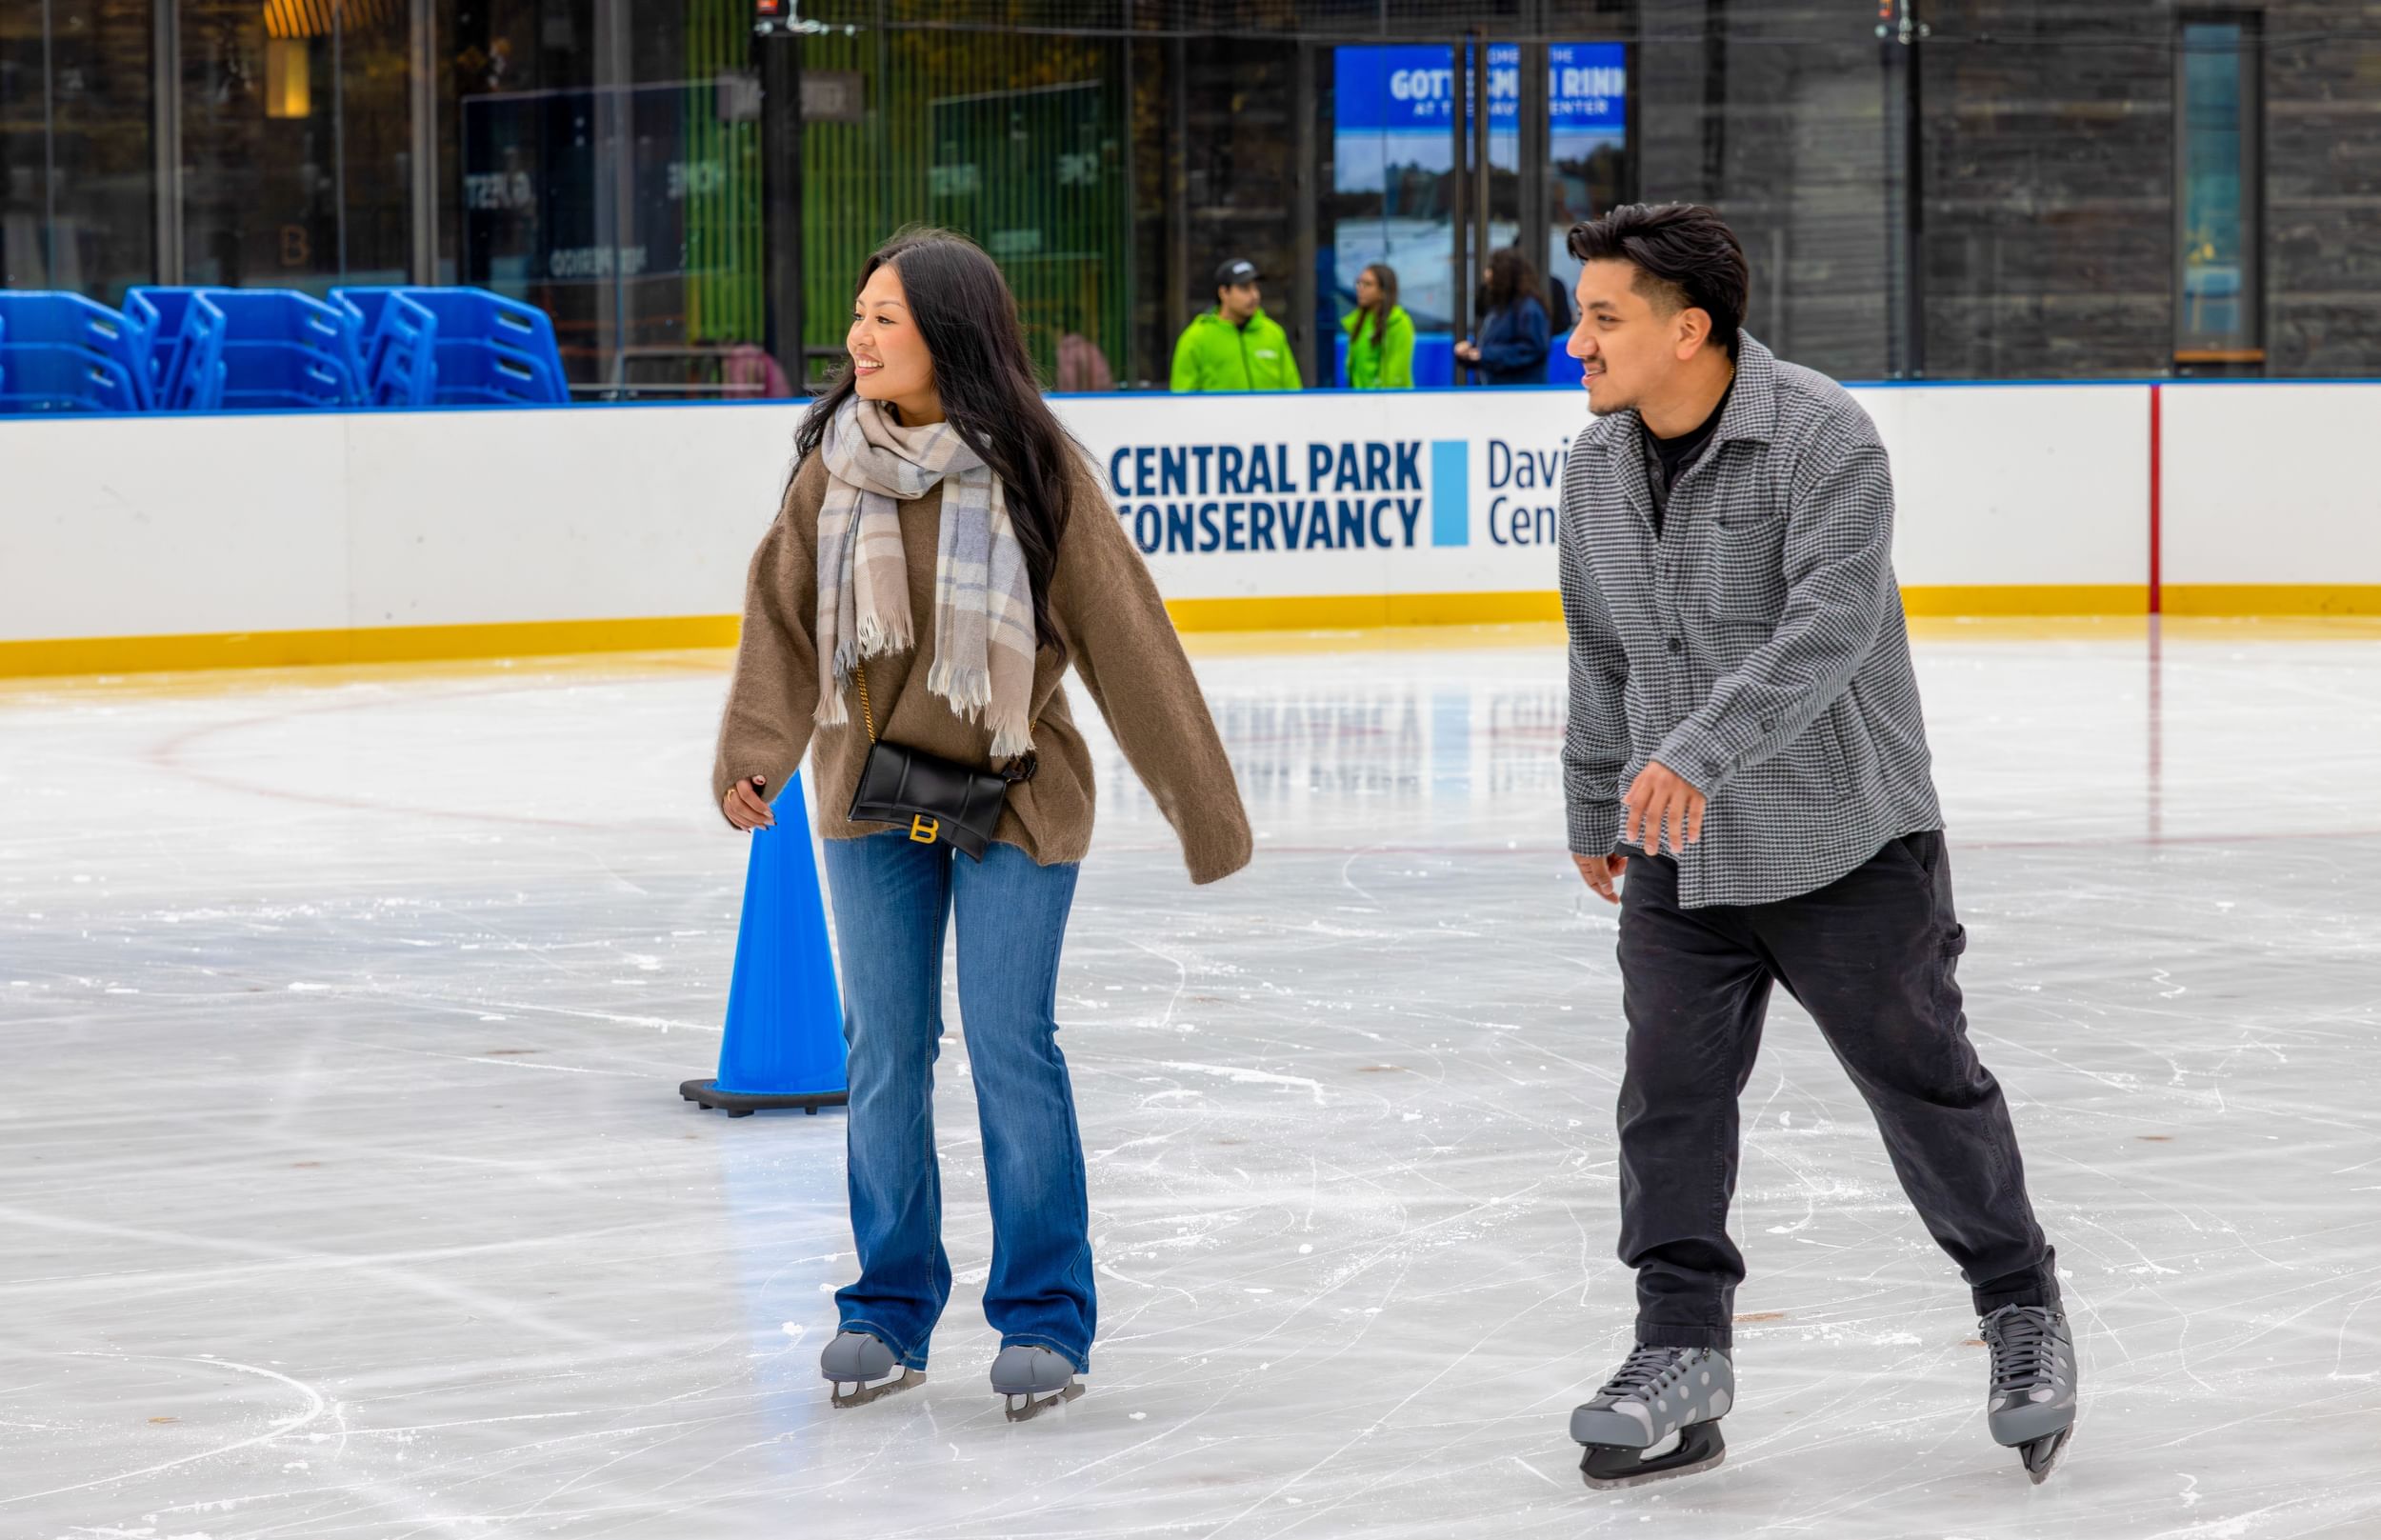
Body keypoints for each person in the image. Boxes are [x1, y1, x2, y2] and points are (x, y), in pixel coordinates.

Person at [1551, 203, 2075, 1489]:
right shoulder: (1595, 469)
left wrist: (1696, 752)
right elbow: (1601, 648)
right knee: (1667, 1099)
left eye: (1604, 318)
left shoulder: (1826, 440)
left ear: (1691, 330)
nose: (1580, 343)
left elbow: (1829, 629)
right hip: (1677, 849)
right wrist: (1590, 796)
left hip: (1845, 836)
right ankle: (1681, 1351)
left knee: (1924, 1086)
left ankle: (2022, 1311)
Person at [714, 230, 1252, 1421]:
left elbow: (1129, 646)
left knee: (1012, 1048)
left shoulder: (1036, 471)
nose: (859, 339)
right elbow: (783, 619)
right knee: (885, 1054)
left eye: (886, 319)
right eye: (856, 315)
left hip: (1016, 791)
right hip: (864, 792)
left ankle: (1045, 1316)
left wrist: (1201, 813)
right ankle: (886, 1306)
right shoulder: (833, 466)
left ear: (948, 333)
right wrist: (756, 753)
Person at [1170, 258, 1302, 391]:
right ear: (1223, 293)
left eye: (1255, 287)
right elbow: (1183, 399)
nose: (1254, 295)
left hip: (1270, 413)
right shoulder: (1196, 338)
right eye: (1244, 288)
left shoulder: (1273, 333)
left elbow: (1293, 390)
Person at [1454, 247, 1551, 387]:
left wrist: (1484, 354)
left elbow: (1533, 349)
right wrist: (1472, 349)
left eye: (1492, 268)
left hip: (1519, 392)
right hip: (1496, 389)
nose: (1487, 274)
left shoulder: (1528, 308)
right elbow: (1498, 342)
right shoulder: (1501, 306)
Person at [1341, 263, 1414, 390]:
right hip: (1358, 401)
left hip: (1387, 402)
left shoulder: (1399, 323)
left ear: (1383, 291)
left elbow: (1395, 374)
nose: (1360, 288)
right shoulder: (1358, 322)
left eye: (1368, 284)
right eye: (1359, 283)